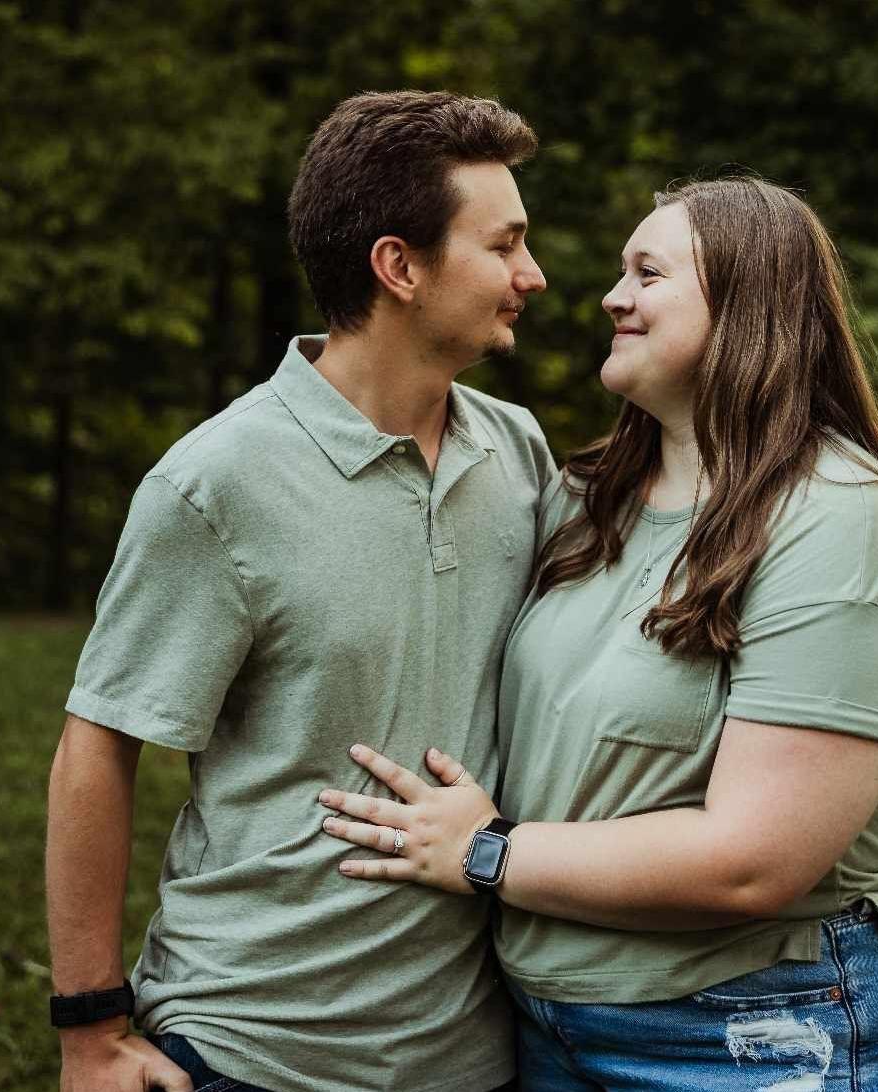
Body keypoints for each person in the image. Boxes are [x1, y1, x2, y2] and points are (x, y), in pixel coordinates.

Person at [313, 177, 878, 1091]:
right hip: (548, 1021)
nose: (610, 296)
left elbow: (754, 862)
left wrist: (486, 850)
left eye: (648, 272)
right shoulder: (592, 500)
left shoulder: (838, 519)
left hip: (757, 1022)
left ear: (751, 303)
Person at [46, 90, 554, 1092]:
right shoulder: (216, 484)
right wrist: (89, 1032)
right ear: (399, 267)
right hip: (249, 1049)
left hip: (472, 1057)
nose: (531, 277)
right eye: (504, 247)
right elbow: (97, 745)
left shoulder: (521, 453)